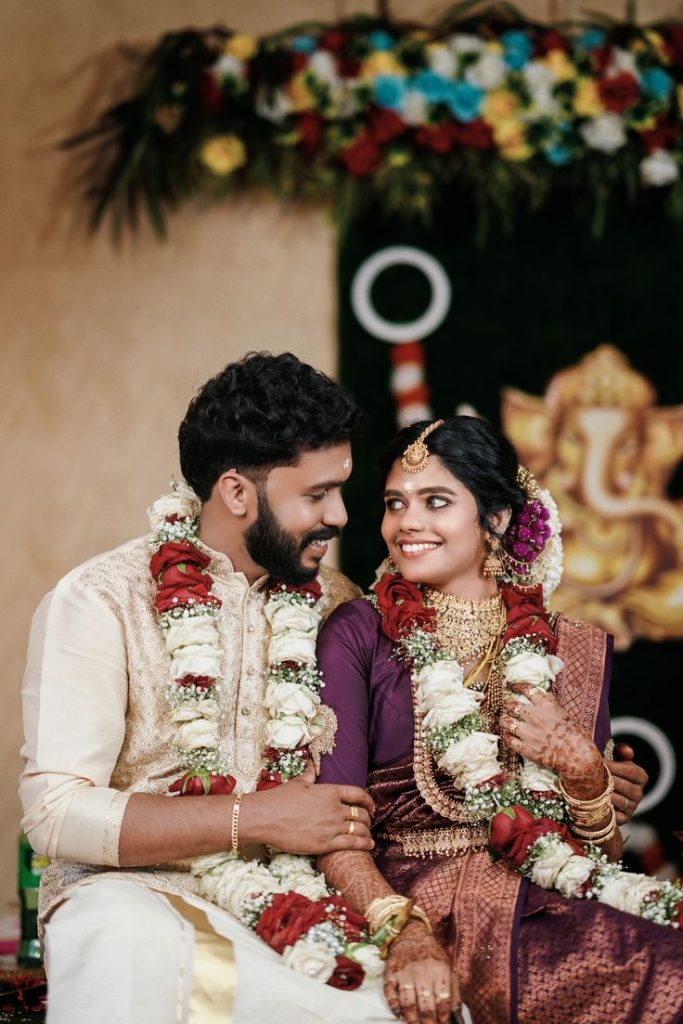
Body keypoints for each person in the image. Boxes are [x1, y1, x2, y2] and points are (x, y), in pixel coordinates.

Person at [19, 352, 396, 1024]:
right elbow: (57, 813)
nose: (339, 514)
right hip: (132, 897)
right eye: (316, 494)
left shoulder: (339, 608)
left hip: (298, 900)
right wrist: (259, 818)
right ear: (236, 492)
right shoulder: (102, 598)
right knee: (131, 949)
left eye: (339, 489)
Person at [316, 415, 682, 1024]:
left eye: (436, 501)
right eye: (395, 503)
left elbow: (601, 854)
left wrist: (582, 770)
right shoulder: (359, 633)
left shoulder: (568, 646)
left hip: (549, 896)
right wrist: (404, 931)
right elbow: (334, 828)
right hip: (418, 900)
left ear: (498, 518)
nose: (407, 522)